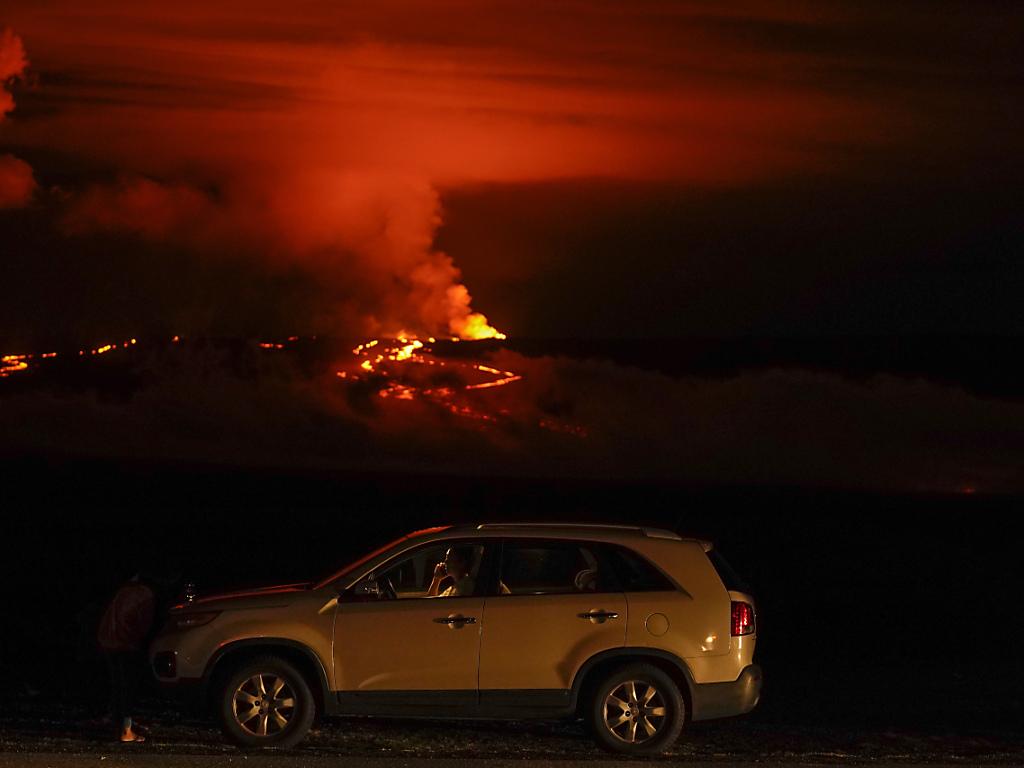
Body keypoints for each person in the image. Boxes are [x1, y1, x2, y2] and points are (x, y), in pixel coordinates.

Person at [95, 572, 161, 743]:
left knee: (118, 683)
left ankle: (116, 720)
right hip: (125, 643)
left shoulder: (123, 590)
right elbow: (144, 623)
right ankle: (125, 729)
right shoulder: (144, 594)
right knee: (127, 686)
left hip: (108, 640)